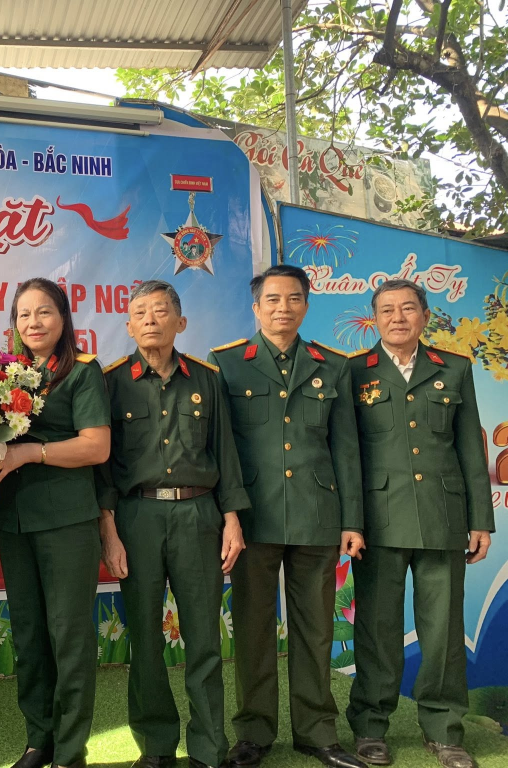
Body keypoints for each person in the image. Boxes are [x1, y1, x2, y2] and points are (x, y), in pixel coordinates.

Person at [209, 264, 365, 768]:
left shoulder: (332, 365)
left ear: (306, 305)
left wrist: (352, 520)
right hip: (253, 518)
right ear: (256, 307)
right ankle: (253, 734)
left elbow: (346, 449)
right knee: (253, 628)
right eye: (273, 300)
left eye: (293, 299)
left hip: (317, 515)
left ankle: (317, 733)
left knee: (315, 629)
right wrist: (228, 515)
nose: (283, 308)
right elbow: (220, 448)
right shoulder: (226, 364)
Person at [97, 280, 249, 768]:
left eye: (161, 310)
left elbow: (225, 451)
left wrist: (232, 519)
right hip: (136, 517)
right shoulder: (110, 382)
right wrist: (109, 531)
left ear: (180, 322)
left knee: (204, 639)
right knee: (144, 639)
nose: (150, 319)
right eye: (140, 312)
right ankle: (156, 746)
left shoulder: (206, 378)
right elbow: (103, 466)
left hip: (198, 516)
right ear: (128, 325)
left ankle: (208, 748)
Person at [346, 279, 495, 768]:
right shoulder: (354, 371)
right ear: (374, 319)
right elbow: (347, 453)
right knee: (377, 629)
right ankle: (371, 726)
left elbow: (470, 448)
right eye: (387, 310)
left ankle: (444, 730)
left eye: (408, 308)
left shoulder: (454, 368)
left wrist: (480, 520)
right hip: (379, 521)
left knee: (444, 632)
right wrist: (351, 521)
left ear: (425, 317)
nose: (398, 317)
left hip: (441, 517)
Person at [0, 277, 111, 768]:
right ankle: (38, 740)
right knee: (29, 635)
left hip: (67, 521)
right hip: (14, 520)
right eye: (23, 314)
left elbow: (96, 446)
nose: (33, 322)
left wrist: (29, 453)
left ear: (63, 318)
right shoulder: (2, 375)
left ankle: (69, 748)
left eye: (44, 312)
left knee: (69, 637)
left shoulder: (82, 372)